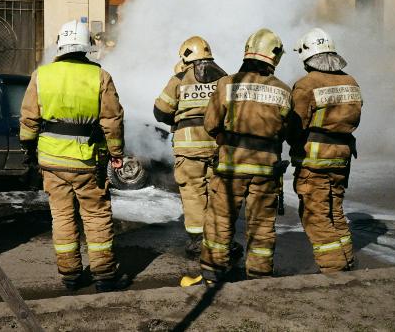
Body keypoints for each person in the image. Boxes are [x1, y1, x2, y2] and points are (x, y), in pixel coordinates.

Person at [19, 20, 130, 292]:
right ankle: (104, 275)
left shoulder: (41, 75)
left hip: (51, 160)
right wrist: (116, 154)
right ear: (87, 46)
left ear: (61, 45)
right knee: (95, 215)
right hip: (87, 161)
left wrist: (29, 148)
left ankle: (69, 274)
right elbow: (112, 121)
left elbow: (29, 119)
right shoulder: (100, 76)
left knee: (62, 216)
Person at [183, 28, 291, 286]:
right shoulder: (283, 91)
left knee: (220, 220)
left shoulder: (227, 84)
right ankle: (259, 278)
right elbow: (288, 130)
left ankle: (212, 275)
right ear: (273, 57)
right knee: (262, 225)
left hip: (231, 167)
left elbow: (211, 124)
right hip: (266, 169)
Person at [287, 28, 362, 273]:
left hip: (314, 162)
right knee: (335, 211)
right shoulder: (351, 81)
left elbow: (295, 125)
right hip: (342, 159)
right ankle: (347, 261)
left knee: (315, 216)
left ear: (307, 56)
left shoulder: (306, 84)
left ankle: (334, 270)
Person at [153, 36, 228, 257]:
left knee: (193, 193)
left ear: (186, 56)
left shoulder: (179, 79)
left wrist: (178, 117)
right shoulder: (225, 79)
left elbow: (160, 111)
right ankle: (219, 239)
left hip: (189, 147)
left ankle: (198, 242)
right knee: (216, 192)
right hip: (217, 145)